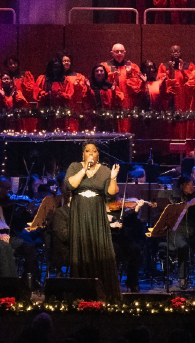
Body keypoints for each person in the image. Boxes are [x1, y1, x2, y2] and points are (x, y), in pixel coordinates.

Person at [65, 141, 121, 300]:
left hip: (97, 213)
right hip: (80, 212)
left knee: (99, 247)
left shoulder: (104, 170)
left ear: (98, 154)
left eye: (94, 151)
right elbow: (71, 185)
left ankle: (103, 292)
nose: (90, 153)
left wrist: (113, 178)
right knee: (81, 247)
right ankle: (81, 294)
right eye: (87, 151)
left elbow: (110, 193)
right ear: (83, 154)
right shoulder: (75, 167)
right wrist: (85, 169)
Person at [0, 177, 41, 285]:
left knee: (30, 248)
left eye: (9, 189)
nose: (9, 192)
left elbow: (18, 223)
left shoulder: (8, 203)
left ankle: (28, 282)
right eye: (6, 189)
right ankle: (7, 282)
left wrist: (28, 210)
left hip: (10, 236)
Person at [169, 176, 195, 289]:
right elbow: (175, 213)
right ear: (182, 186)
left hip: (193, 232)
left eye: (193, 185)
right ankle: (182, 278)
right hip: (178, 232)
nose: (192, 187)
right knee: (183, 247)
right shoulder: (175, 197)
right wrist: (190, 204)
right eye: (189, 185)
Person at [156, 45, 195, 140]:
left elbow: (193, 80)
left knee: (183, 121)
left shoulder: (189, 65)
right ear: (170, 53)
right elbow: (160, 81)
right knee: (170, 122)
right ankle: (170, 151)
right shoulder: (164, 66)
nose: (176, 53)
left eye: (178, 51)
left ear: (181, 53)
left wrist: (183, 71)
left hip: (184, 99)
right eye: (173, 51)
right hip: (170, 98)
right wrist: (170, 72)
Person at [101, 44, 142, 133]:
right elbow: (101, 82)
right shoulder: (105, 66)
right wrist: (112, 76)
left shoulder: (133, 67)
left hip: (126, 101)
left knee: (126, 126)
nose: (119, 53)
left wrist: (129, 73)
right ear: (112, 53)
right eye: (116, 51)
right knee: (110, 126)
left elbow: (137, 86)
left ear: (124, 53)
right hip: (110, 100)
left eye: (121, 51)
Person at [107, 198, 145, 292]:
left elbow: (129, 219)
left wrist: (136, 210)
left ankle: (132, 282)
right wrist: (111, 225)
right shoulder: (99, 210)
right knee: (115, 251)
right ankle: (112, 283)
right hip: (109, 239)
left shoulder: (119, 210)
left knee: (135, 249)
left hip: (121, 238)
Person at [58, 52, 92, 132]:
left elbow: (84, 93)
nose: (66, 62)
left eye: (68, 61)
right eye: (64, 61)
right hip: (59, 107)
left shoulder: (78, 76)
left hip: (74, 108)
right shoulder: (55, 77)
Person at [36, 57, 69, 131]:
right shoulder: (42, 79)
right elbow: (36, 93)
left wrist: (60, 95)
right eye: (54, 67)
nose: (56, 69)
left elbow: (69, 96)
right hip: (44, 112)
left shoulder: (65, 80)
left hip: (60, 114)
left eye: (58, 67)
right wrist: (45, 95)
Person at [88, 64, 123, 132]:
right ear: (94, 74)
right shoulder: (90, 86)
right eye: (97, 71)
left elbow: (118, 101)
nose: (99, 73)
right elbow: (88, 102)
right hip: (94, 119)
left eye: (101, 71)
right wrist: (89, 89)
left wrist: (114, 91)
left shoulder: (110, 85)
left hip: (108, 119)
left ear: (104, 73)